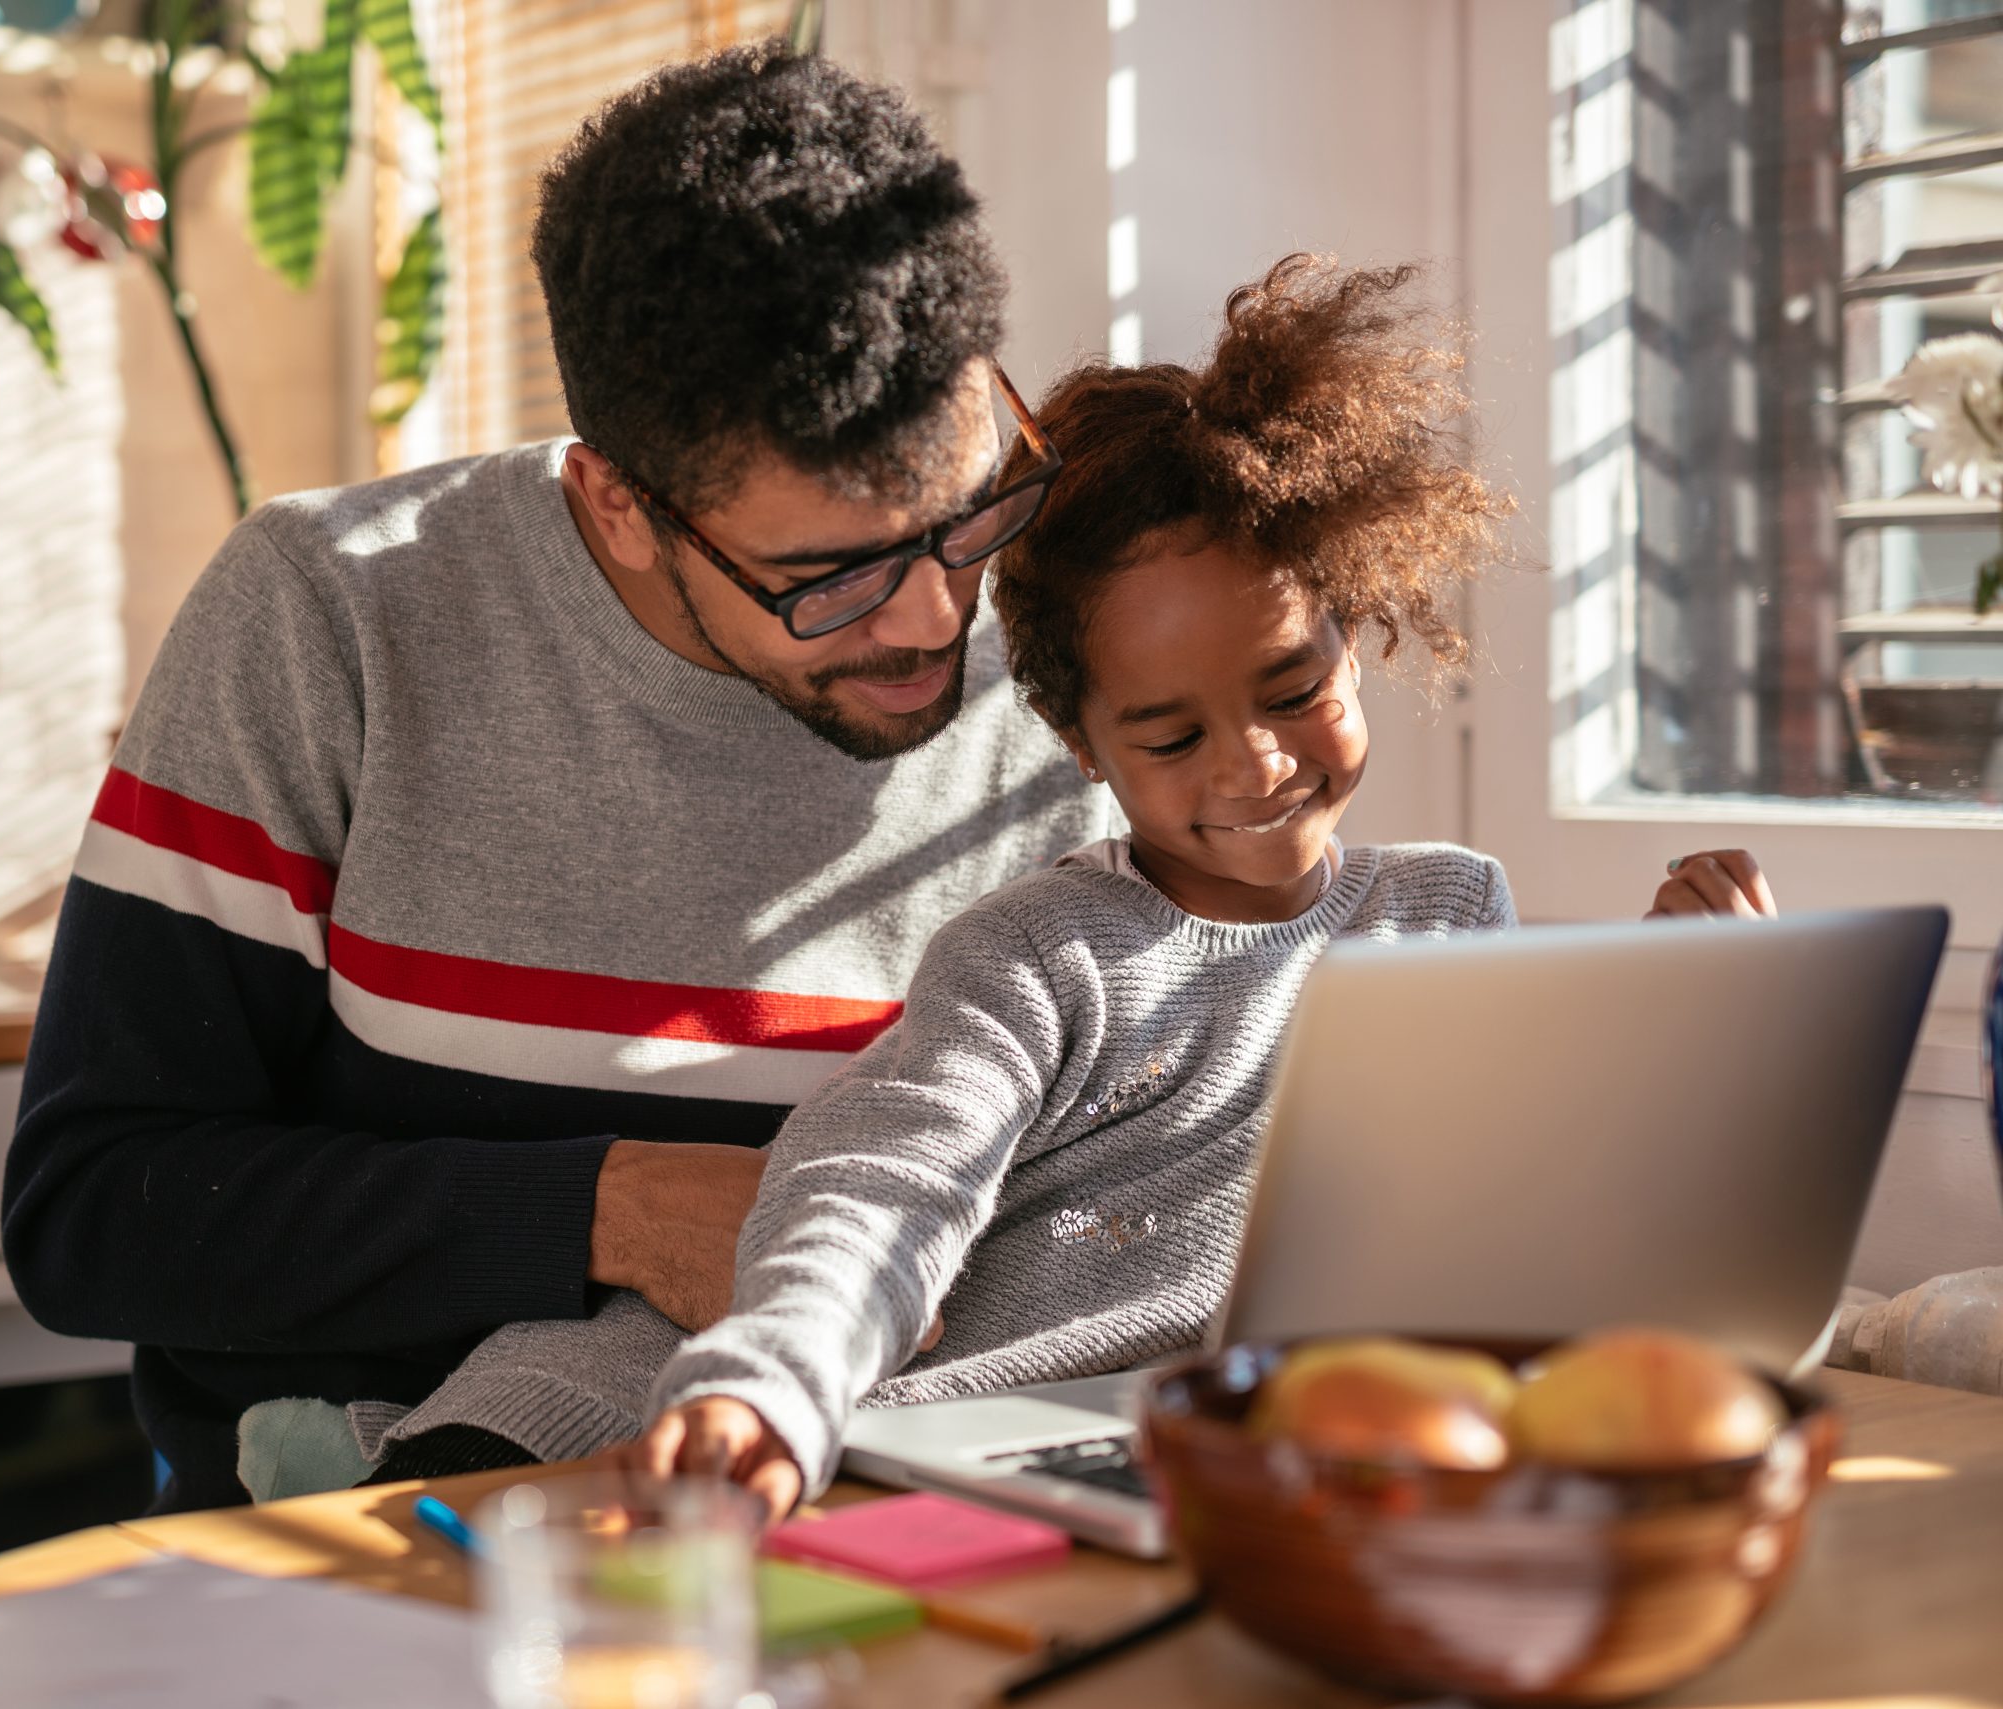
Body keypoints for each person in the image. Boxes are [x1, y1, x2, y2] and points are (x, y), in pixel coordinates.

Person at [369, 255, 1781, 1510]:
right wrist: (767, 1388)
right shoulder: (1041, 953)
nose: (1254, 765)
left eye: (1293, 686)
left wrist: (1684, 1027)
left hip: (1254, 1454)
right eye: (1170, 734)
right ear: (1081, 740)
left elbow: (1542, 1239)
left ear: (1357, 630)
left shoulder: (1451, 914)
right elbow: (875, 1187)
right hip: (925, 1438)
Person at [1, 42, 1113, 1513]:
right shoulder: (333, 616)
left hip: (899, 1516)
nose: (932, 622)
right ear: (618, 503)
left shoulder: (1061, 638)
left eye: (968, 513)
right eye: (829, 577)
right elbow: (95, 1211)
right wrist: (617, 1208)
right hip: (383, 1539)